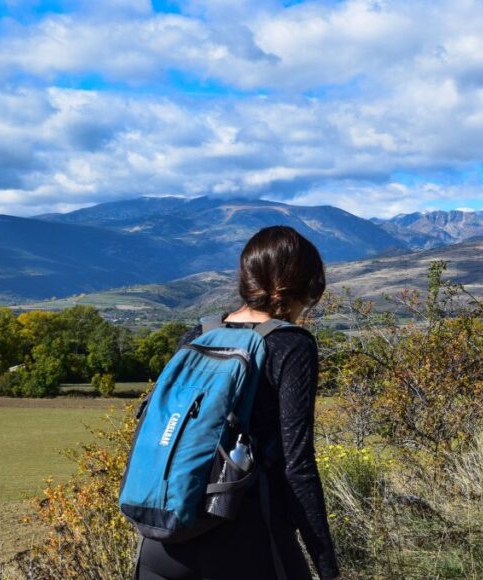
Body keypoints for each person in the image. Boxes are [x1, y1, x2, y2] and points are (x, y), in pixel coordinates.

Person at [136, 226, 340, 580]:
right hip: (246, 538)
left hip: (162, 539)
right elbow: (298, 466)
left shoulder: (198, 335)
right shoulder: (291, 346)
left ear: (245, 280)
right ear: (304, 286)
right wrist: (326, 565)